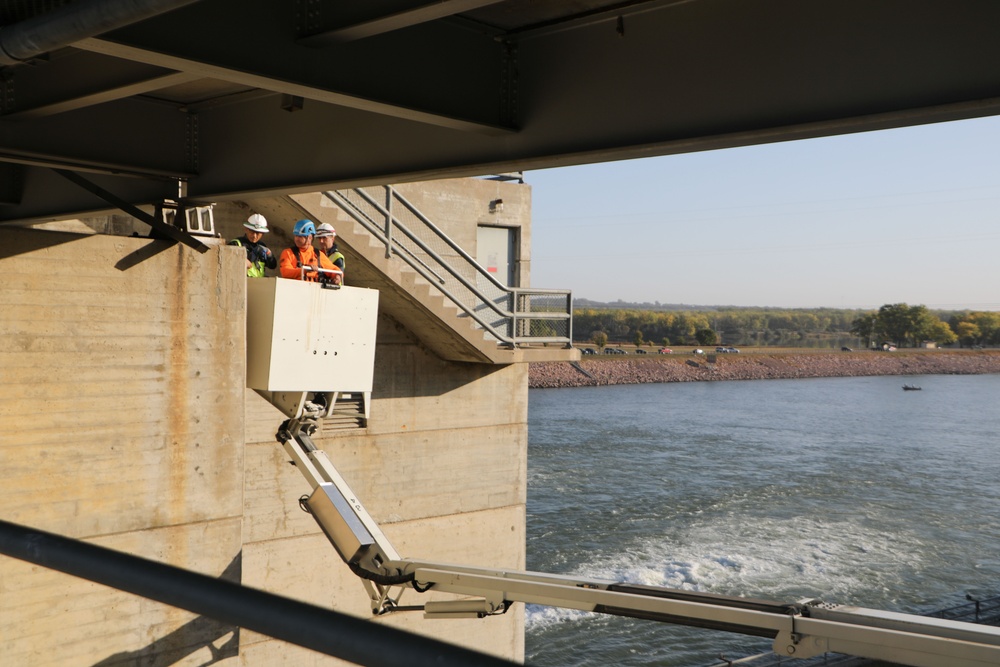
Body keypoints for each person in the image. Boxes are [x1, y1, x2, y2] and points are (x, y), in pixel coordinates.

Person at [279, 219, 340, 284]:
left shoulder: (318, 254)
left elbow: (334, 270)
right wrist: (304, 270)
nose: (297, 239)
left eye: (300, 236)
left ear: (310, 237)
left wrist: (337, 276)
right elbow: (285, 272)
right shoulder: (287, 253)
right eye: (296, 236)